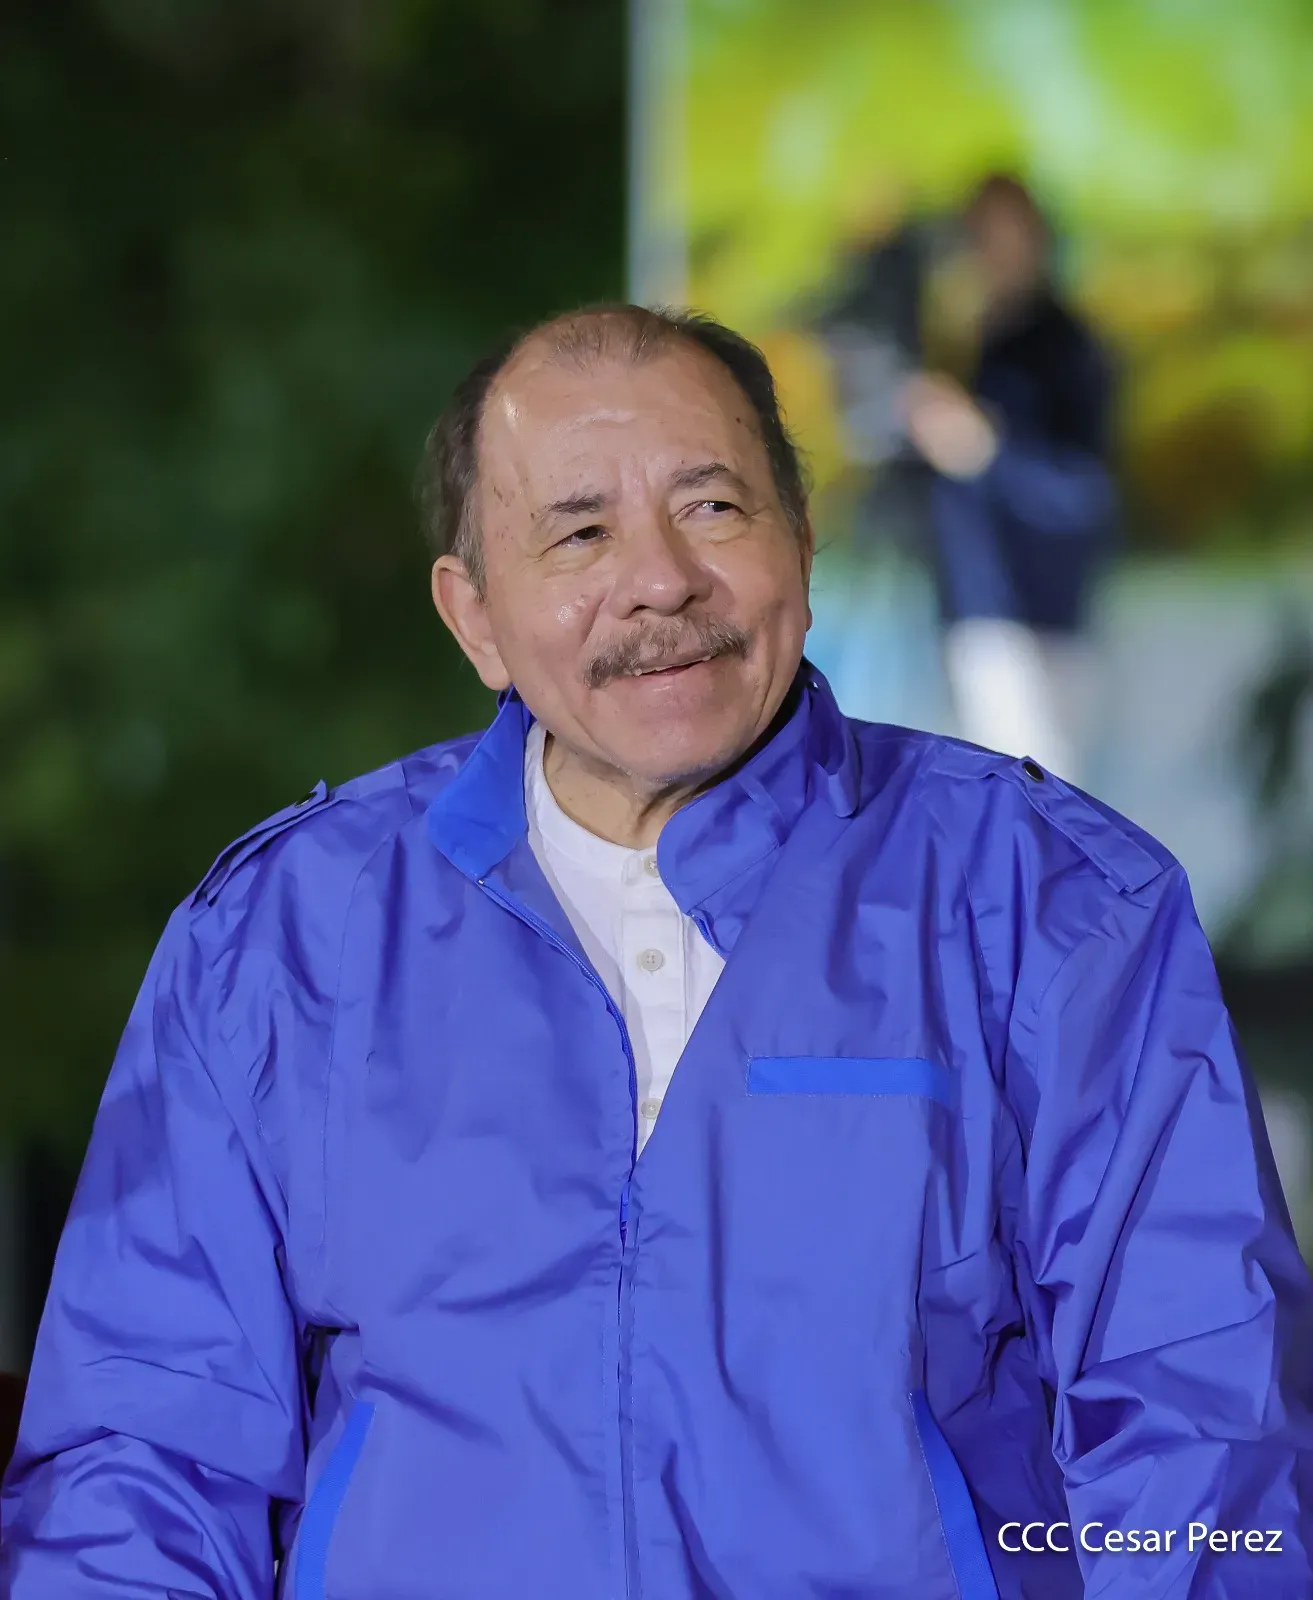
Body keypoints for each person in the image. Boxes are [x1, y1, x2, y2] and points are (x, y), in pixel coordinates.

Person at [2, 305, 1310, 1599]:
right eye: (578, 532)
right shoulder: (280, 939)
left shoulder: (1052, 902)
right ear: (475, 619)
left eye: (713, 508)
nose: (659, 579)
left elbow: (1202, 1433)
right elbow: (145, 1462)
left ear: (799, 544)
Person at [904, 174, 1116, 782]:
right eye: (978, 236)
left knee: (1036, 823)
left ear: (1038, 238)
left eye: (1002, 234)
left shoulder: (1070, 349)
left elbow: (1085, 493)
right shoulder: (968, 342)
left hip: (1036, 620)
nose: (988, 251)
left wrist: (987, 450)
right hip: (970, 611)